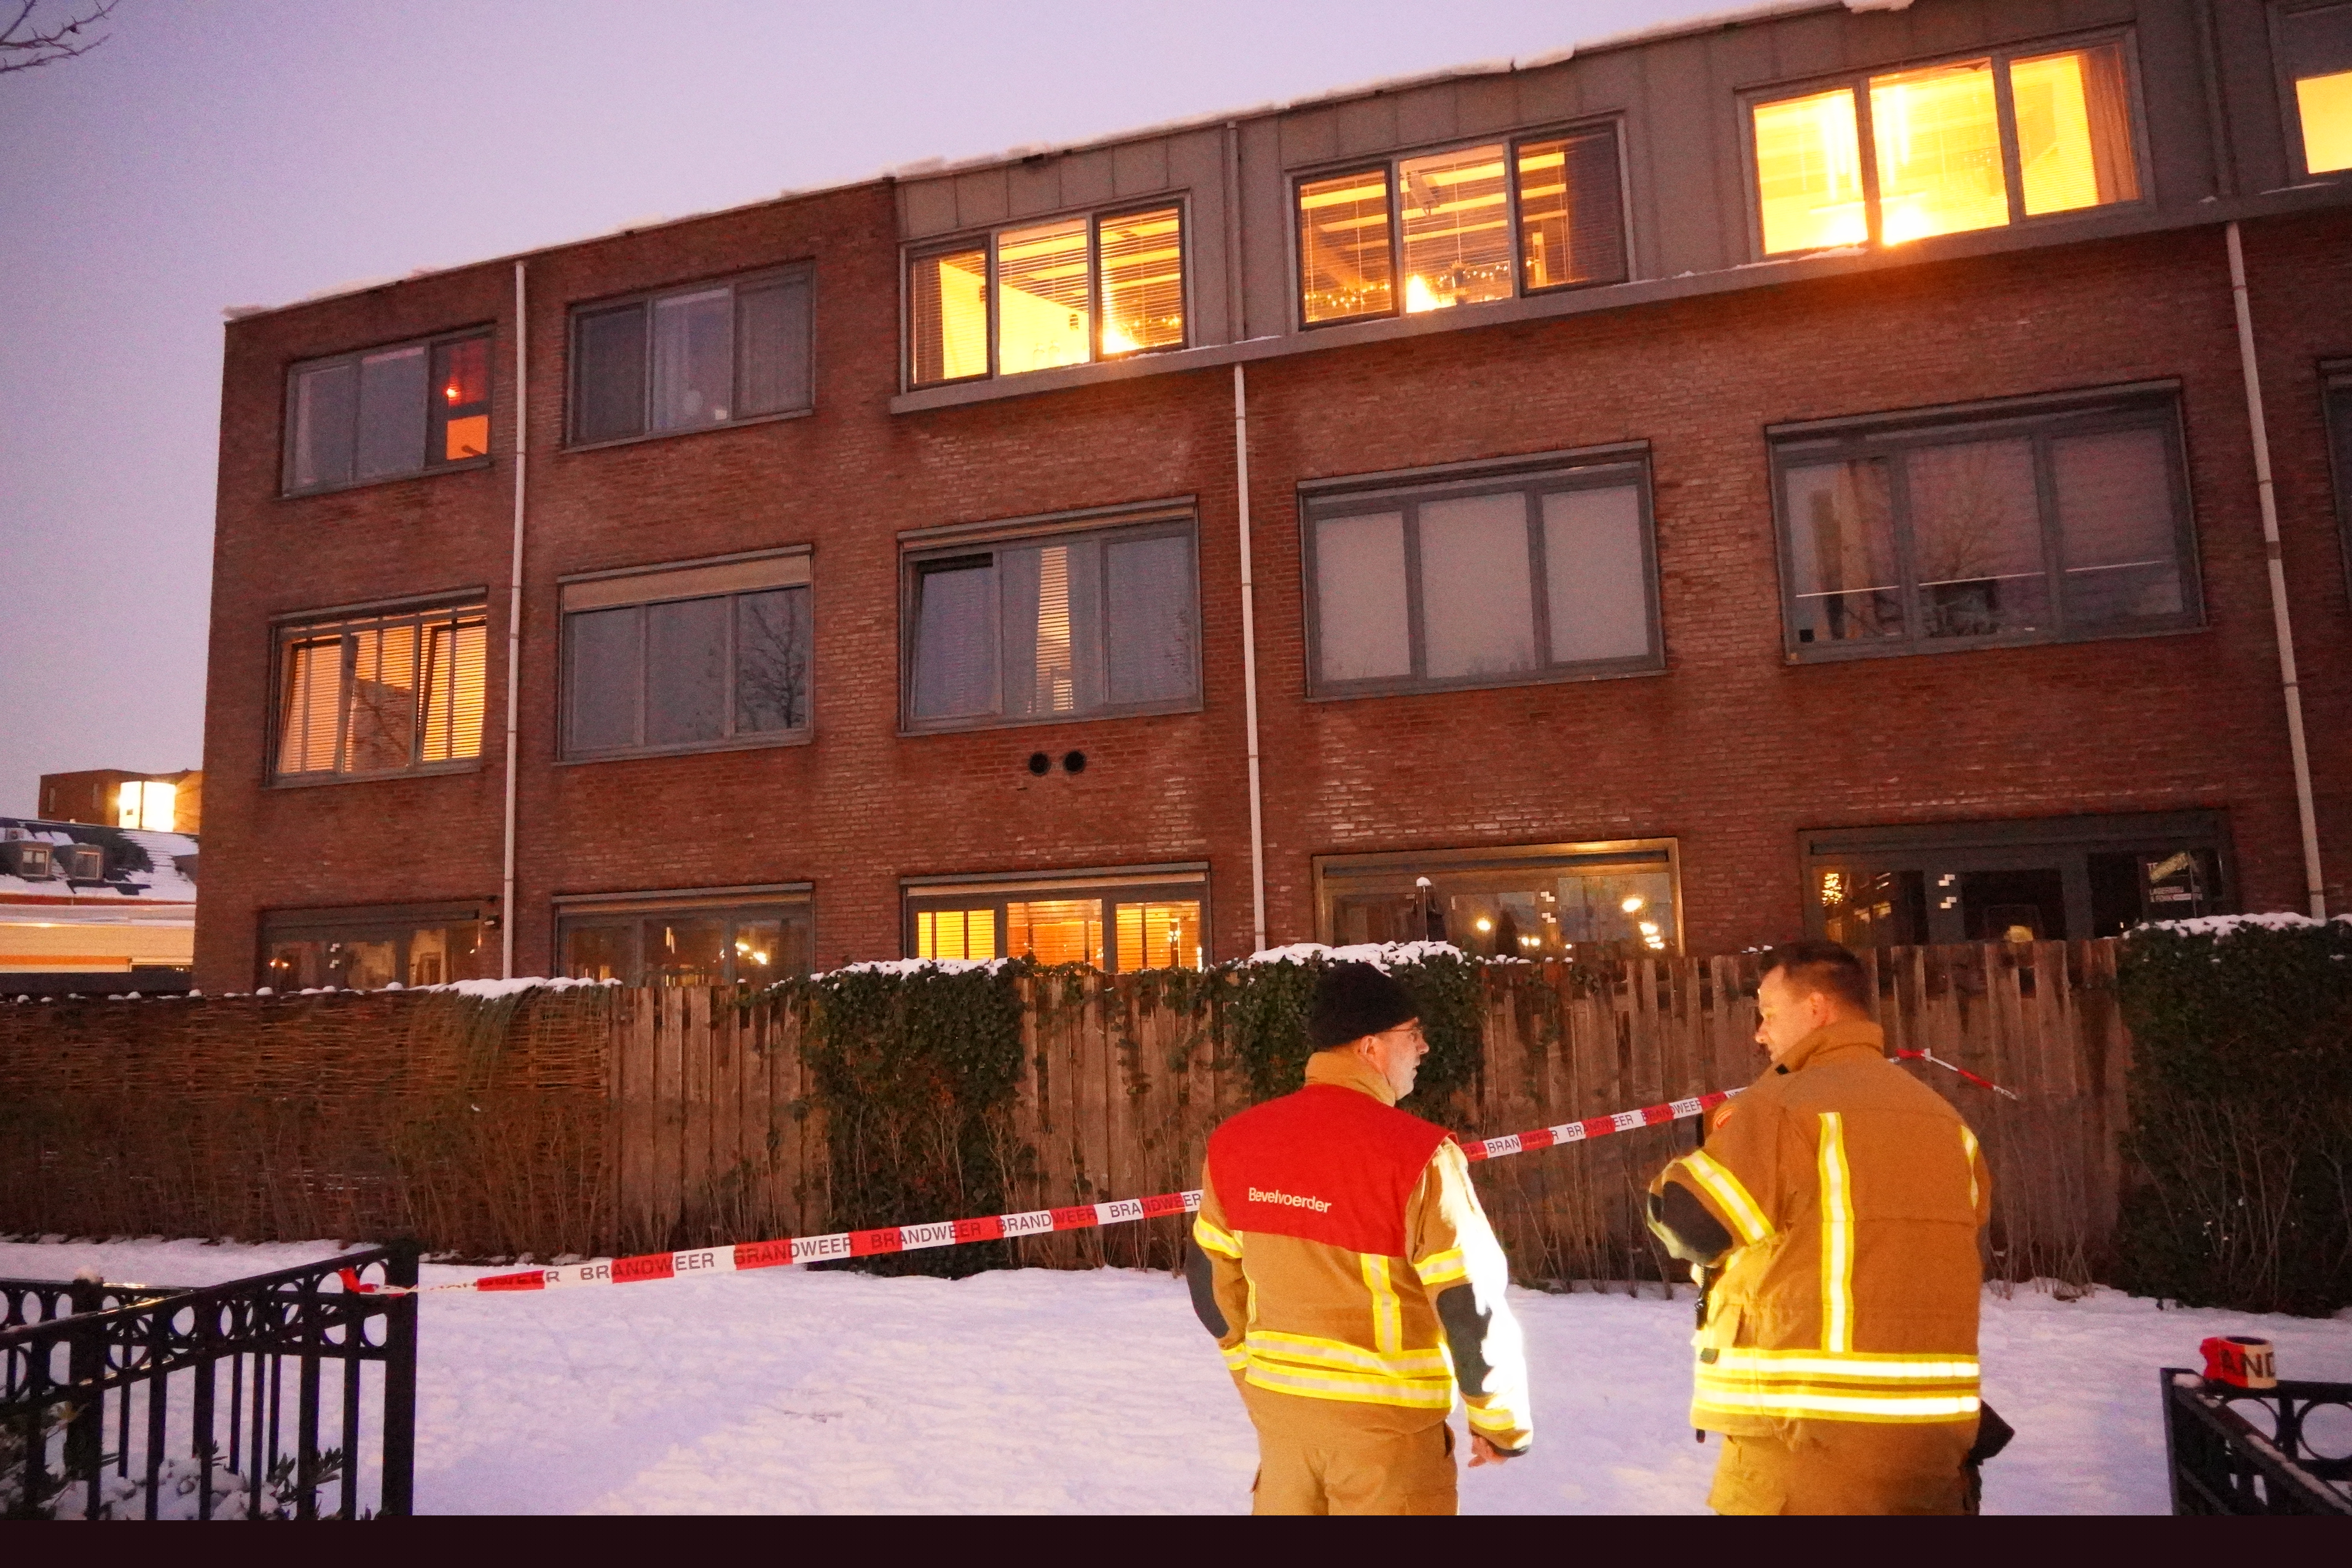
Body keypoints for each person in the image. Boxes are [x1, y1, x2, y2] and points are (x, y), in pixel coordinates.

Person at [1646, 938, 1991, 1514]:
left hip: (1802, 1446)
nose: (1760, 1032)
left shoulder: (1783, 1106)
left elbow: (1689, 1223)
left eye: (1767, 1011)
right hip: (1933, 1451)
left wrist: (1706, 1151)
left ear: (1815, 1008)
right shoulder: (1948, 1123)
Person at [1187, 961, 1532, 1515]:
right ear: (1371, 1047)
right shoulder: (1418, 1156)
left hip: (1284, 1429)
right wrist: (1500, 1422)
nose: (1422, 1048)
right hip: (1388, 1442)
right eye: (1412, 1034)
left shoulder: (1235, 1143)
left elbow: (1210, 1282)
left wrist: (1255, 1381)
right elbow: (1471, 1301)